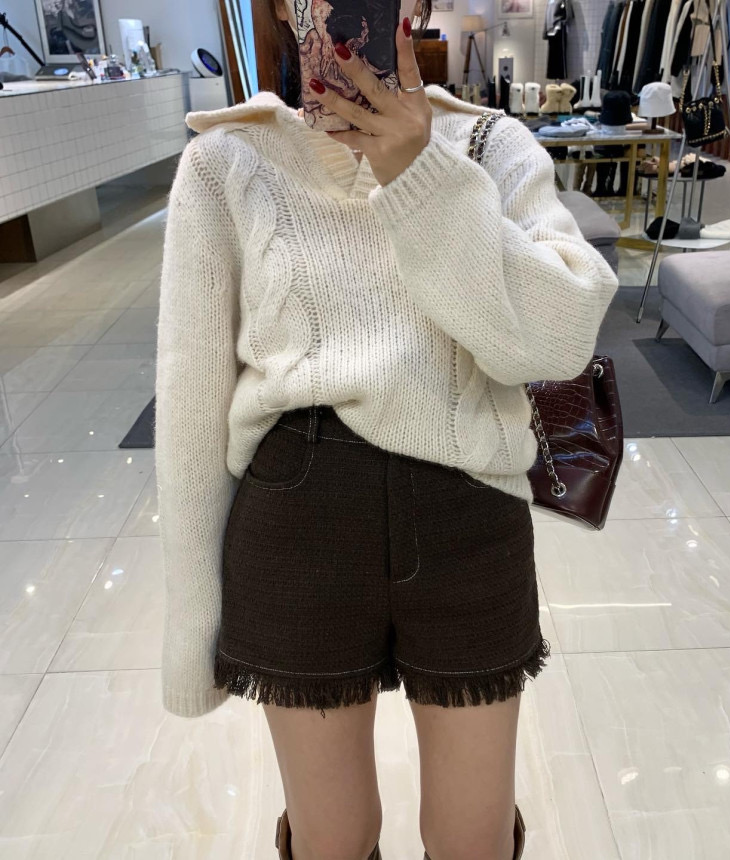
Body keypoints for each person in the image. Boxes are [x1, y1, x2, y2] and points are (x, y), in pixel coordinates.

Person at [154, 1, 618, 858]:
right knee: (332, 840)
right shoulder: (227, 161)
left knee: (472, 839)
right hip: (297, 517)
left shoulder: (493, 147)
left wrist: (420, 174)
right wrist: (191, 631)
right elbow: (190, 404)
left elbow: (558, 340)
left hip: (468, 515)